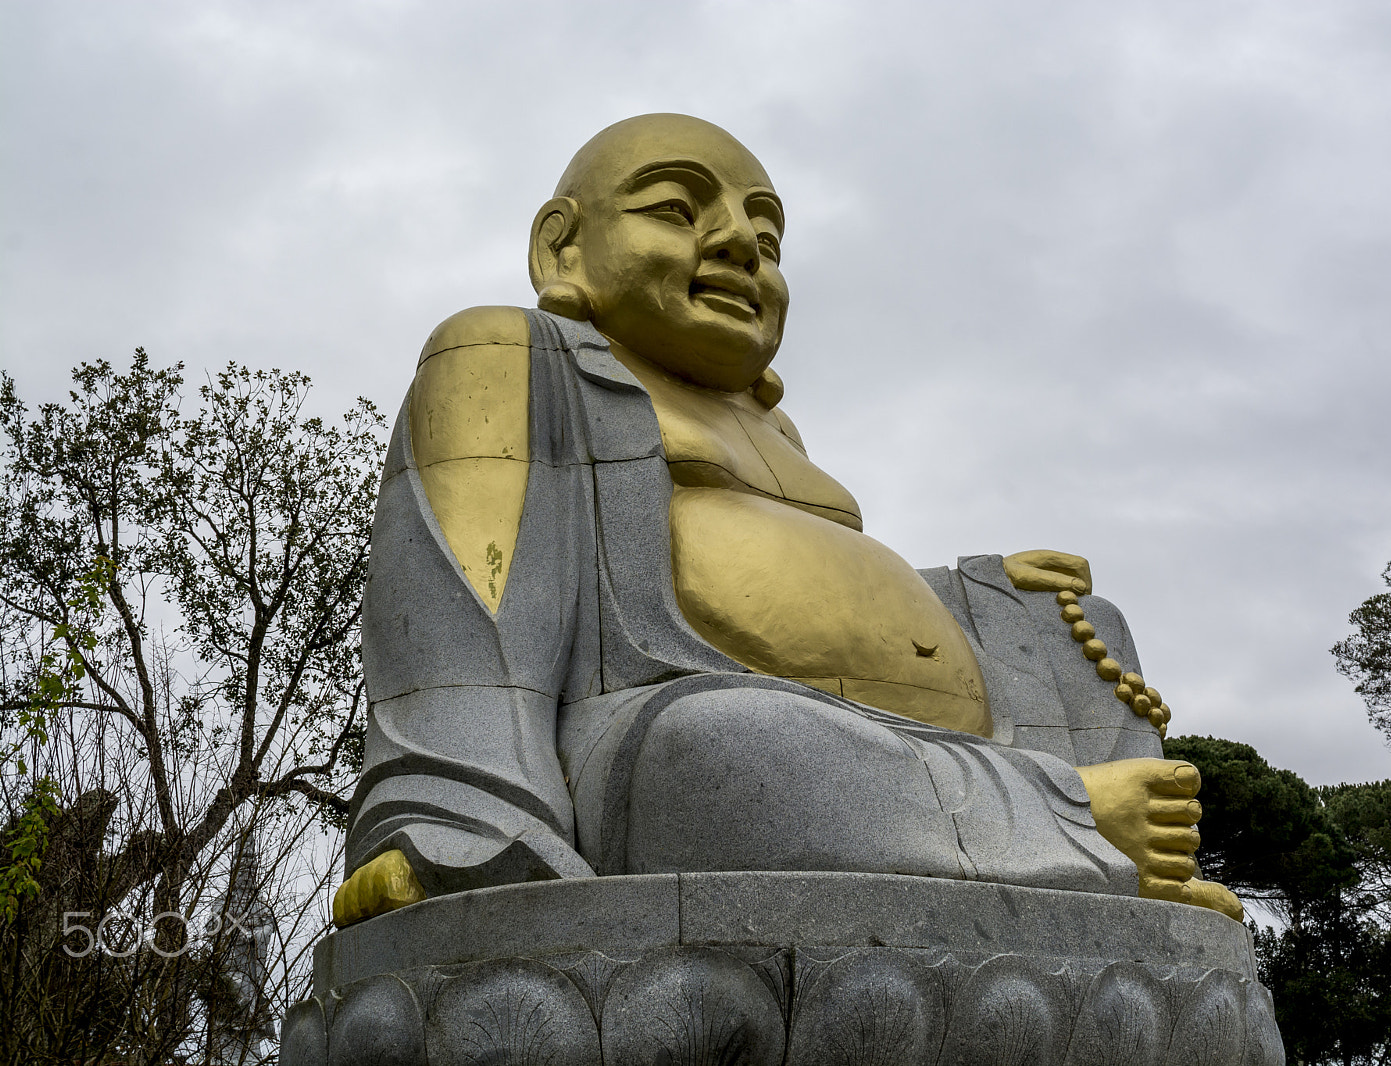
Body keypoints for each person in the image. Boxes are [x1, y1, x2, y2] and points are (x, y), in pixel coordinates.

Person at [331, 114, 1241, 929]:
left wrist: (973, 595)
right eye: (678, 211)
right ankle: (1069, 822)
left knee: (1084, 629)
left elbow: (823, 602)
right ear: (560, 252)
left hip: (882, 743)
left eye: (766, 237)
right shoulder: (516, 355)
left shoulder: (776, 434)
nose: (739, 245)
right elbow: (463, 606)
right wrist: (454, 817)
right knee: (721, 754)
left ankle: (1064, 842)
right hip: (671, 706)